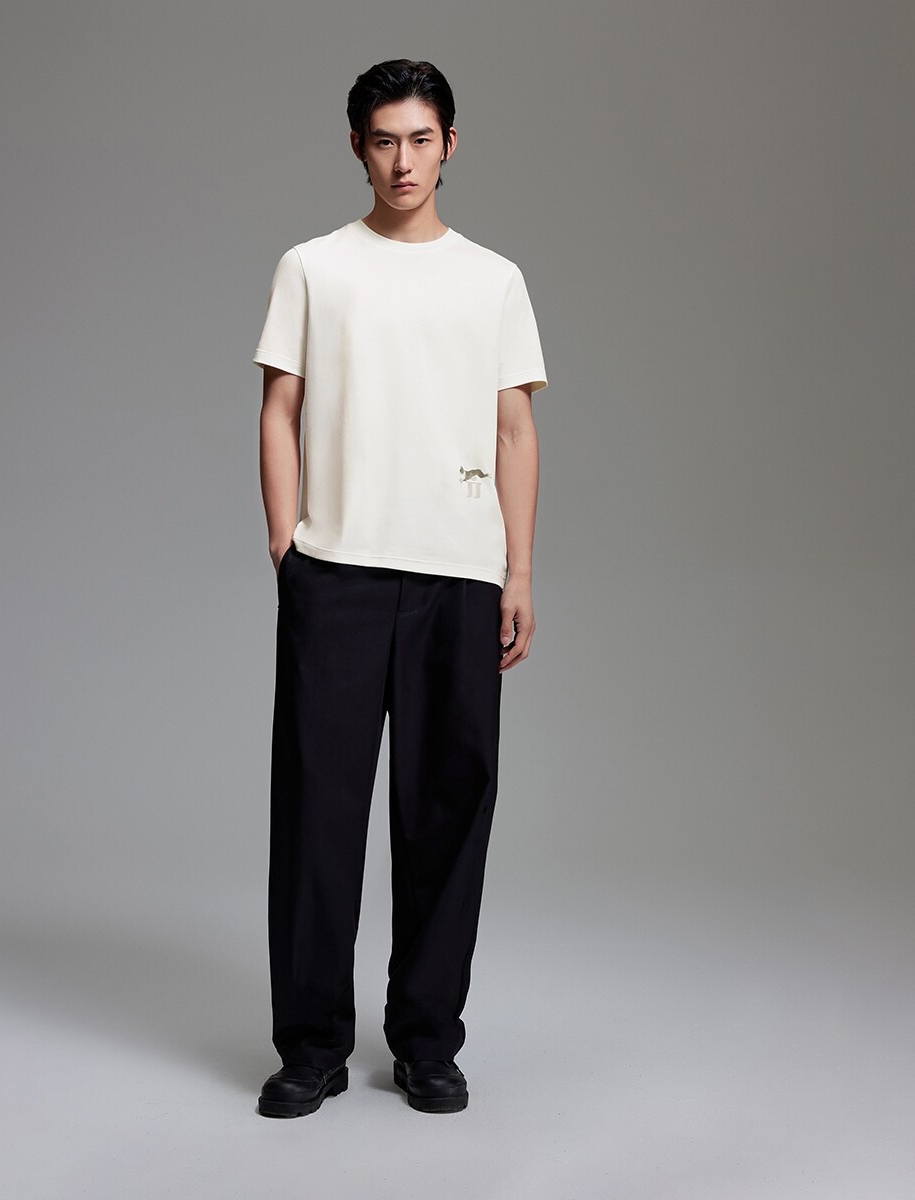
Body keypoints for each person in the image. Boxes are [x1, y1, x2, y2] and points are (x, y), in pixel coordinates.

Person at [253, 59, 547, 1117]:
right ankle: (311, 1048)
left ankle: (427, 1041)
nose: (404, 161)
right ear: (357, 148)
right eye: (384, 140)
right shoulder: (314, 267)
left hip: (458, 577)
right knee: (316, 815)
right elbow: (279, 408)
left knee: (448, 812)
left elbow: (514, 430)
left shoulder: (493, 280)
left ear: (450, 145)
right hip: (336, 574)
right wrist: (286, 548)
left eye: (421, 139)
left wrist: (518, 570)